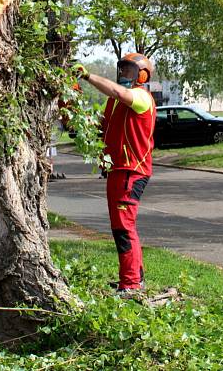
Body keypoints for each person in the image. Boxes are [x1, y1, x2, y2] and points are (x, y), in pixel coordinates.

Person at [75, 53, 156, 296]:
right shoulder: (114, 103)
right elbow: (98, 126)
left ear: (142, 75)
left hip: (131, 170)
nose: (124, 75)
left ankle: (130, 284)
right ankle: (134, 277)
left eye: (130, 71)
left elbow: (119, 93)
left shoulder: (141, 97)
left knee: (123, 227)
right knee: (124, 226)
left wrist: (88, 76)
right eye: (121, 69)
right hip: (117, 170)